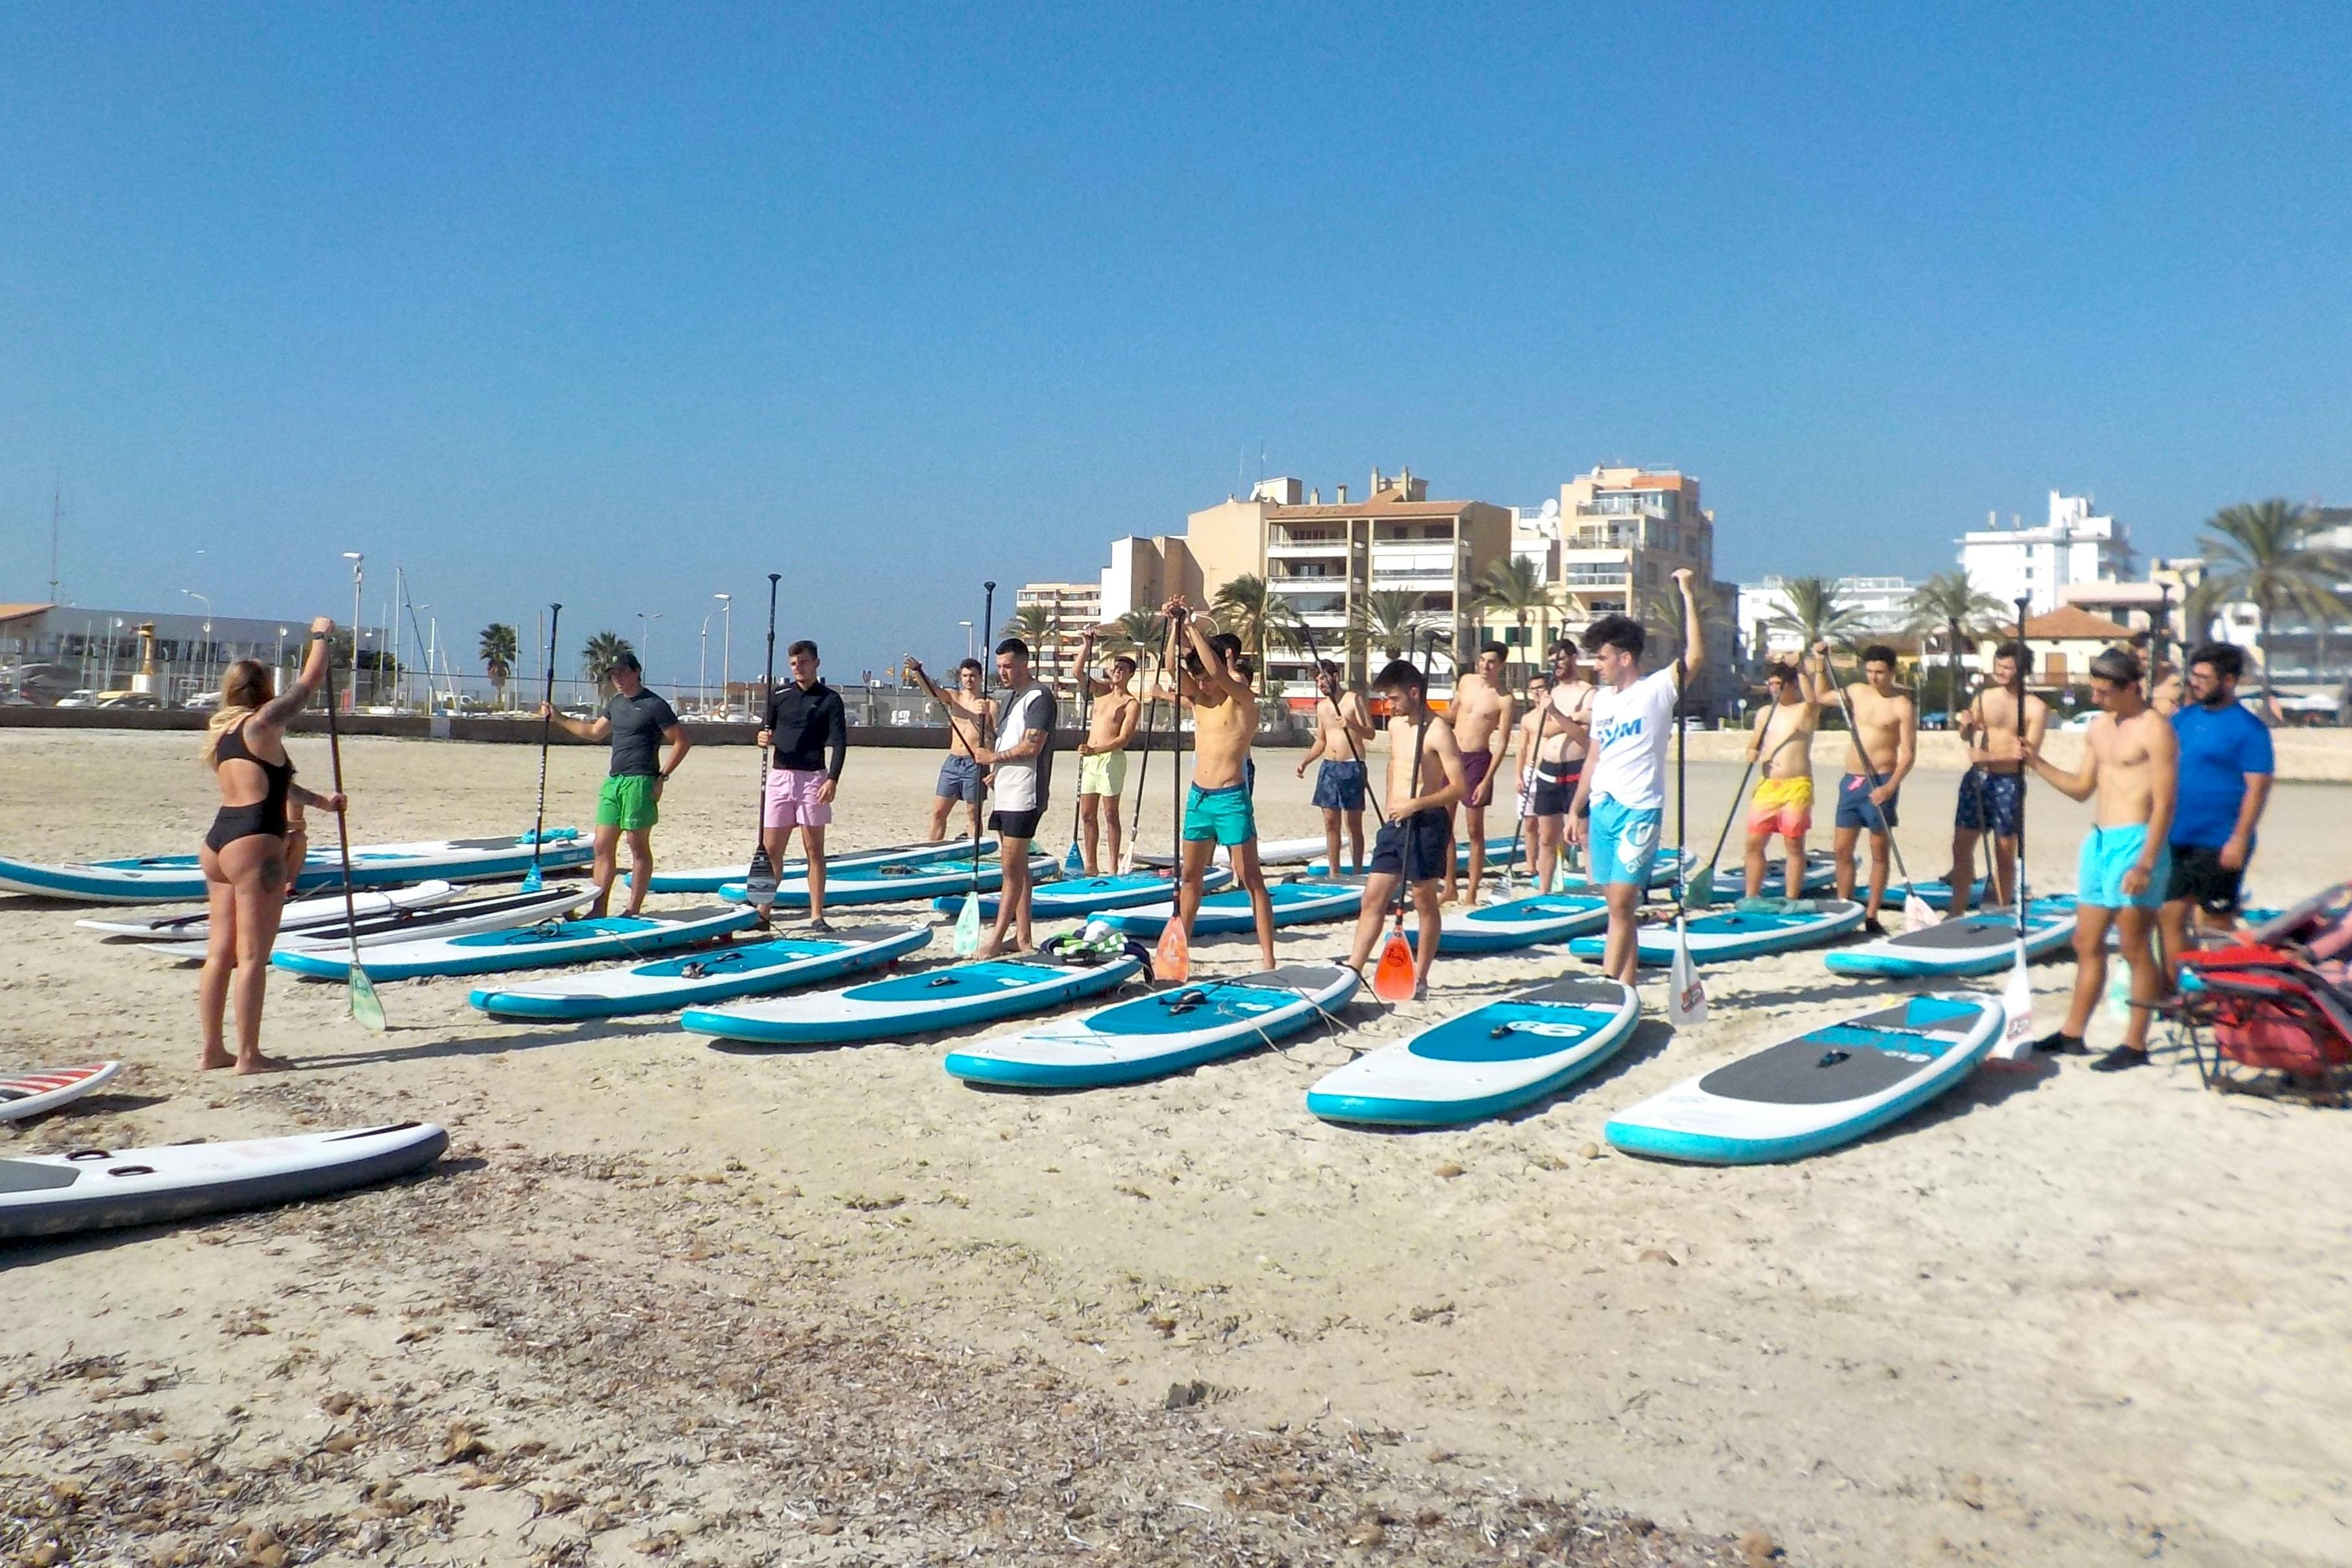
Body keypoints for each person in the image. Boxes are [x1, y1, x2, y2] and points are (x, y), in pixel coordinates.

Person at [196, 619, 347, 1075]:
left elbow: (278, 784)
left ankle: (212, 1051)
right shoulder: (263, 723)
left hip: (218, 843)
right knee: (252, 957)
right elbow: (309, 683)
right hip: (256, 842)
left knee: (219, 954)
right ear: (264, 691)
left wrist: (320, 802)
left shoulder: (224, 733)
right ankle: (249, 1056)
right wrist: (320, 637)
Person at [2022, 646, 2178, 1072]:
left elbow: (2166, 803)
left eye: (2104, 691)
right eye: (2093, 690)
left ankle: (2135, 1043)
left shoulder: (2156, 730)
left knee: (2134, 946)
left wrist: (2145, 862)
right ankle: (2073, 1033)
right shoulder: (2098, 727)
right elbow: (2080, 788)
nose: (2096, 698)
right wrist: (2035, 761)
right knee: (2085, 943)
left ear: (2131, 688)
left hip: (2137, 841)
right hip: (2099, 841)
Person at [1570, 569, 1704, 986]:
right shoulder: (1602, 701)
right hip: (1603, 808)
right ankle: (1627, 988)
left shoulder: (1657, 689)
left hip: (1640, 809)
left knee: (1622, 903)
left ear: (1625, 658)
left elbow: (1695, 657)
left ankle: (1609, 983)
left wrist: (1687, 593)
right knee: (1617, 906)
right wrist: (1577, 808)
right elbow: (1595, 756)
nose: (1597, 666)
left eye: (1602, 658)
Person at [911, 640, 1055, 957]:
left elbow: (1032, 747)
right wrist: (996, 770)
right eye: (1000, 666)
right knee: (1020, 868)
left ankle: (996, 940)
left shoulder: (1039, 697)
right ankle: (1023, 938)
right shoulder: (1010, 698)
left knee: (1010, 870)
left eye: (1009, 666)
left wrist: (993, 758)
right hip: (1005, 790)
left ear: (1025, 664)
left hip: (1025, 794)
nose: (1003, 672)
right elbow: (1004, 739)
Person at [1343, 658, 1468, 999]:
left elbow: (1460, 787)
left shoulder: (1439, 732)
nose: (1389, 705)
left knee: (1424, 900)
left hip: (1427, 824)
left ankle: (1422, 975)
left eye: (1394, 698)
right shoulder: (1398, 726)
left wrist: (1416, 803)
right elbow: (1394, 765)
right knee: (1373, 897)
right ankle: (1354, 968)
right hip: (1395, 824)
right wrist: (1391, 802)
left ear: (1415, 692)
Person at [1167, 602, 1276, 968]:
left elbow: (1217, 670)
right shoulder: (1199, 700)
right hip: (1199, 799)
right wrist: (1175, 627)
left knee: (1250, 877)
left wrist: (1191, 627)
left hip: (1231, 799)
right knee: (1190, 877)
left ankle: (1268, 956)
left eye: (1205, 677)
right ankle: (1180, 950)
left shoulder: (1242, 698)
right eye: (1197, 678)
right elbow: (1171, 667)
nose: (1201, 683)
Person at [541, 652, 689, 918]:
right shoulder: (616, 703)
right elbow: (593, 732)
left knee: (637, 845)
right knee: (602, 845)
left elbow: (682, 742)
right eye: (613, 674)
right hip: (615, 780)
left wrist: (662, 777)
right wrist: (559, 718)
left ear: (636, 672)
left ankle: (632, 909)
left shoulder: (654, 705)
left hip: (641, 780)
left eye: (622, 672)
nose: (617, 678)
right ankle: (599, 908)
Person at [2160, 643, 2275, 966]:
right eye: (2192, 676)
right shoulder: (2182, 719)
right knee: (2169, 916)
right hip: (2177, 837)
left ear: (2228, 681)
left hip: (2220, 840)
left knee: (2215, 923)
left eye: (2203, 678)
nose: (2194, 683)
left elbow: (2257, 789)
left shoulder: (2249, 729)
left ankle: (2226, 987)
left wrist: (2239, 838)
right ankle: (2178, 986)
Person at [1822, 641, 1918, 932]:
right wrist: (1819, 665)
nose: (1874, 677)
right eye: (1870, 671)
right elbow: (1819, 696)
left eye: (1880, 672)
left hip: (1881, 781)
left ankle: (1872, 915)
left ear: (1892, 672)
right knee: (1841, 849)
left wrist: (1890, 788)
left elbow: (1908, 754)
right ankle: (1845, 905)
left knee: (1878, 851)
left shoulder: (1902, 705)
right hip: (1852, 781)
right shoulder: (1856, 692)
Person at [1949, 641, 2049, 914]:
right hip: (1977, 779)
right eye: (1999, 666)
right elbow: (1967, 734)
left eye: (2008, 668)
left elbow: (2028, 754)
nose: (2001, 672)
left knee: (2004, 851)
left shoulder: (2035, 708)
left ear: (2022, 671)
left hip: (2009, 782)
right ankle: (1956, 909)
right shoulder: (1984, 697)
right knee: (1961, 845)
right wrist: (1965, 725)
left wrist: (1988, 757)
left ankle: (2004, 909)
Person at [755, 639, 848, 929]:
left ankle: (817, 915)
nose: (798, 668)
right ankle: (763, 913)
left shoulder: (830, 699)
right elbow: (766, 729)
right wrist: (762, 737)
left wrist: (832, 779)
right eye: (794, 664)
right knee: (771, 850)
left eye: (804, 662)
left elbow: (840, 743)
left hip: (813, 779)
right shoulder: (779, 695)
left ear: (816, 663)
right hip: (781, 777)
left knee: (814, 850)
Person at [1741, 652, 1824, 898]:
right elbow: (1756, 741)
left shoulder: (1803, 710)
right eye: (1771, 685)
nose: (1774, 689)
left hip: (1796, 785)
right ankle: (1752, 896)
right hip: (1768, 785)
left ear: (1792, 685)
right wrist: (1751, 750)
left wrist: (1800, 669)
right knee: (1754, 843)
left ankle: (1792, 897)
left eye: (1779, 685)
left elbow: (1813, 701)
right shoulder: (1765, 713)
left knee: (1793, 843)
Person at [1442, 643, 1515, 907]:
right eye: (1483, 660)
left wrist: (1487, 779)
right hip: (1453, 756)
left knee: (1474, 830)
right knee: (1445, 824)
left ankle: (1471, 891)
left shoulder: (1505, 699)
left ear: (1502, 665)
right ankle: (1450, 886)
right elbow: (1452, 714)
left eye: (1492, 662)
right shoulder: (1466, 682)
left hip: (1478, 760)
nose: (1485, 665)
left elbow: (1502, 742)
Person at [1526, 645, 1595, 893]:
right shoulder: (1551, 692)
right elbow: (1544, 730)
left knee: (1584, 836)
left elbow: (1583, 738)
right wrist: (1573, 717)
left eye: (1562, 659)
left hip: (1576, 768)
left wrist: (1557, 715)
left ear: (1573, 658)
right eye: (1553, 660)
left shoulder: (1588, 693)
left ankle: (1594, 889)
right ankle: (1544, 891)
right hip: (1548, 769)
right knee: (1547, 838)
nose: (1557, 665)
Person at [1295, 659, 1374, 874]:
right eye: (1317, 680)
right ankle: (1334, 872)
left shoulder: (1353, 700)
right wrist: (1305, 762)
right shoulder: (1322, 707)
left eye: (1323, 678)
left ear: (1335, 677)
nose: (1321, 683)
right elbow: (1321, 741)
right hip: (1330, 768)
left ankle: (1357, 870)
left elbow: (1371, 733)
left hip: (1352, 766)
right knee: (1331, 822)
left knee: (1353, 823)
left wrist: (1351, 724)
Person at [1071, 633, 1139, 875]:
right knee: (1087, 814)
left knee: (1110, 813)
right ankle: (1091, 864)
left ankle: (1112, 865)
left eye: (1123, 669)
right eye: (1116, 668)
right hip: (1090, 760)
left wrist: (1096, 749)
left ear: (1130, 674)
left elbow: (1124, 738)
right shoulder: (1101, 691)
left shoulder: (1131, 703)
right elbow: (1077, 673)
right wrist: (1086, 646)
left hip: (1111, 759)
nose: (1117, 672)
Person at [922, 658, 997, 844]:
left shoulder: (990, 704)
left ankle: (973, 850)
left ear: (981, 677)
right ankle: (932, 849)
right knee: (939, 812)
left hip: (975, 762)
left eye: (973, 676)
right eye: (965, 676)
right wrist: (918, 672)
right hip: (953, 761)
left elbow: (997, 738)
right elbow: (932, 691)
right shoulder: (954, 697)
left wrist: (995, 769)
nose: (968, 680)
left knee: (973, 814)